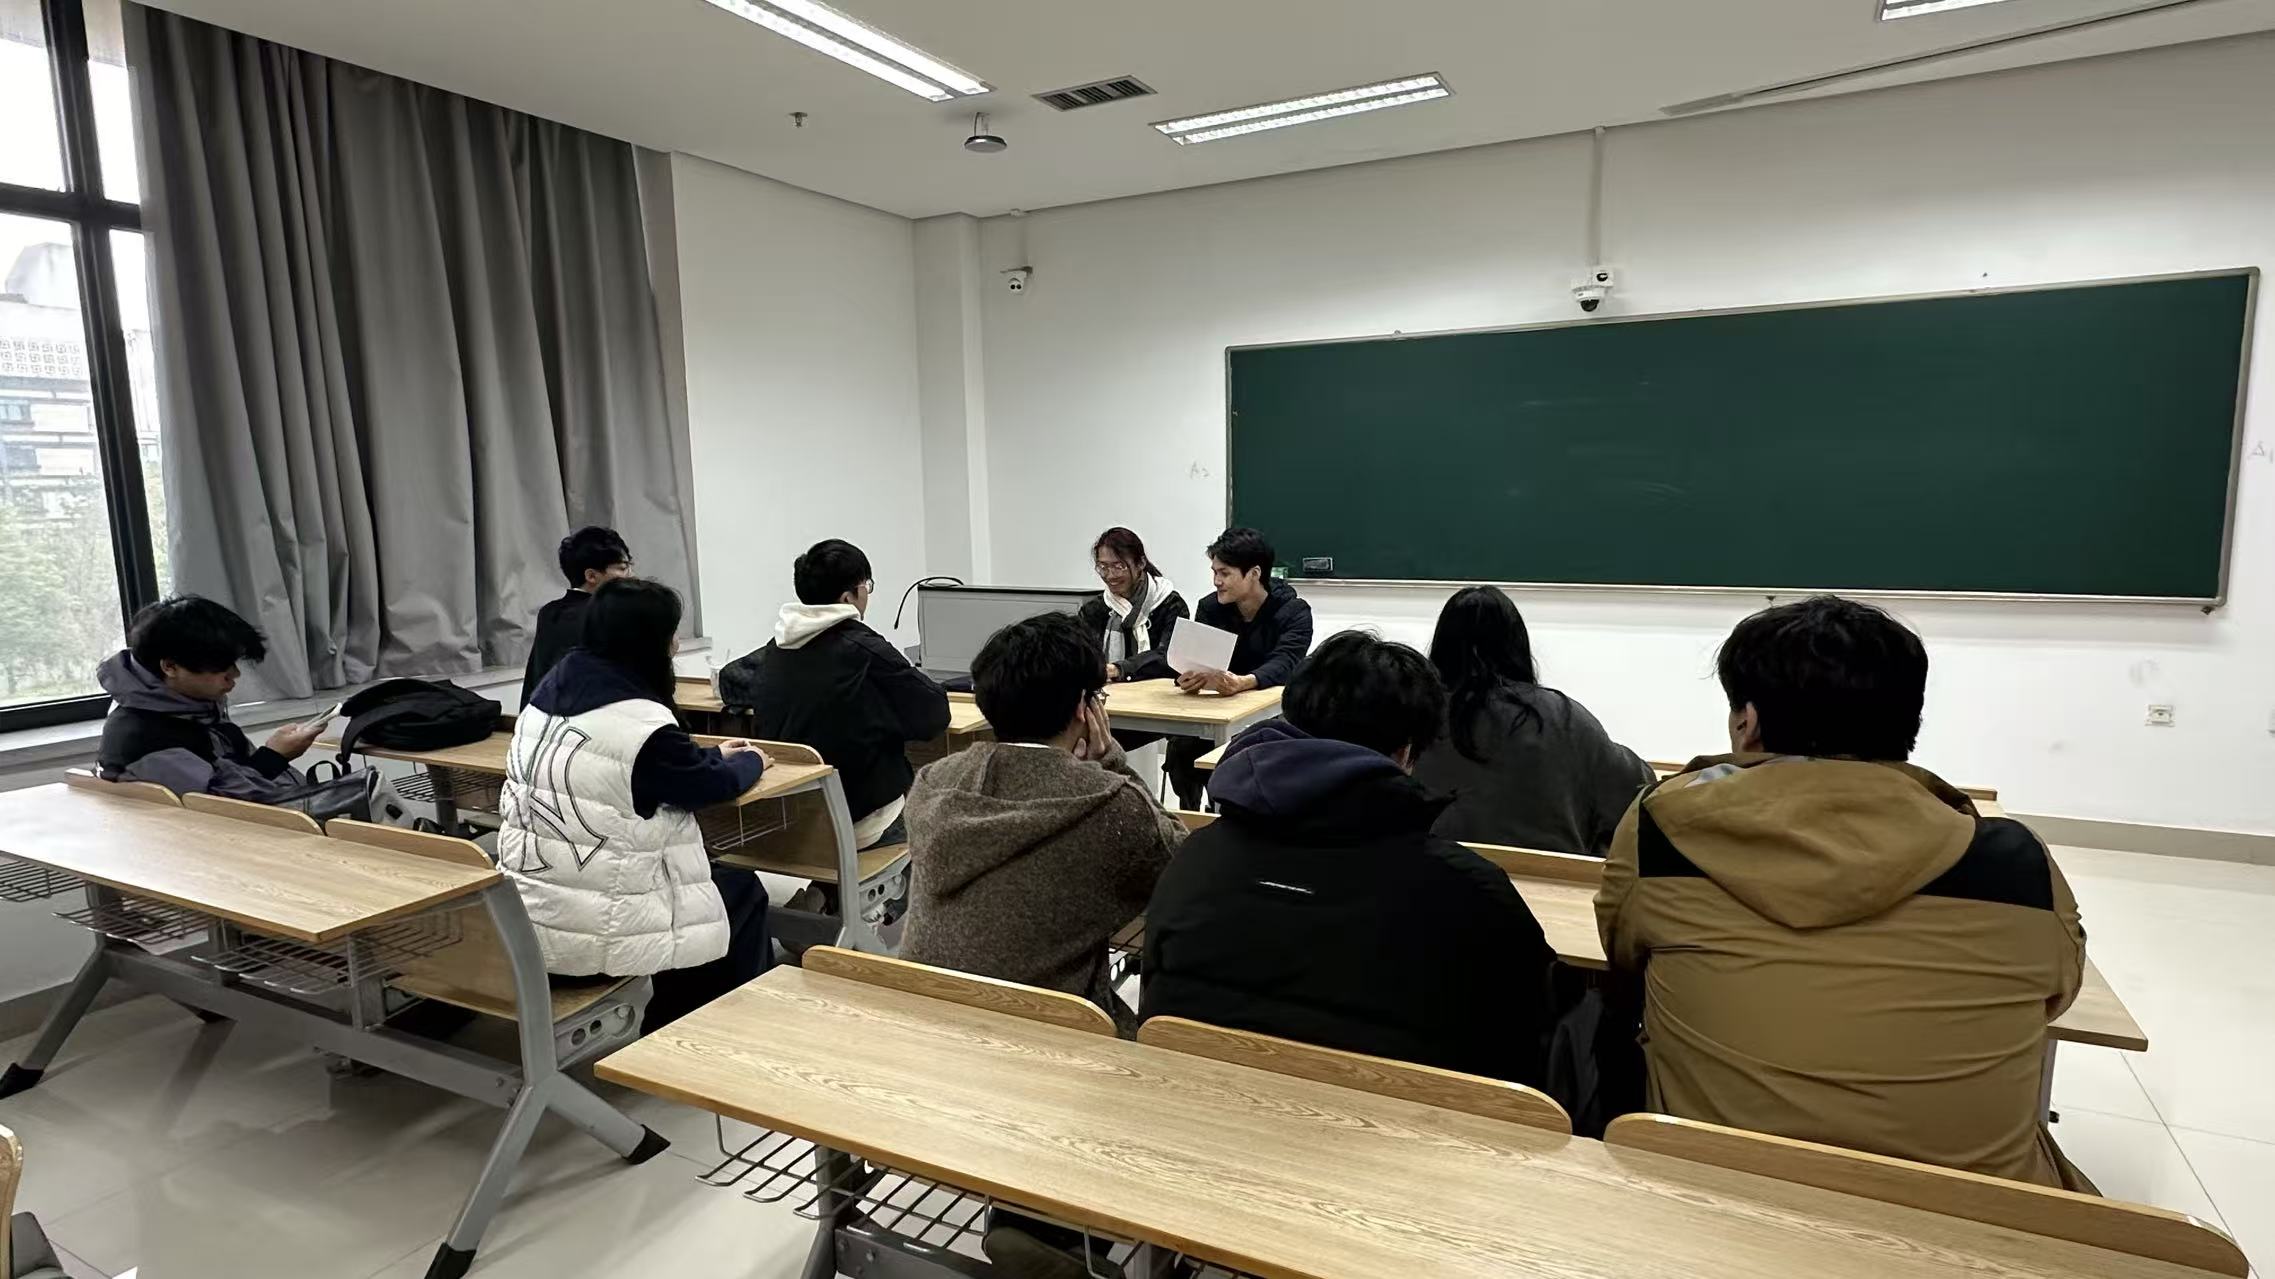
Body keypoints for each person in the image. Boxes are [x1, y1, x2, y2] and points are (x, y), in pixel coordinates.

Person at [1595, 595, 2091, 1190]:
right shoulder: (2018, 867)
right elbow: (2056, 996)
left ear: (1746, 722)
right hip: (1973, 1215)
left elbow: (1623, 955)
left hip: (1709, 1187)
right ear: (1908, 723)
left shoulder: (1660, 829)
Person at [1141, 631, 1557, 1085]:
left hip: (1193, 1108)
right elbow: (1527, 1044)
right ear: (1407, 752)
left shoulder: (1196, 860)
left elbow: (1156, 1007)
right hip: (1397, 1122)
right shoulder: (1469, 892)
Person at [498, 578, 773, 1031]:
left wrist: (707, 754)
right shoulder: (641, 722)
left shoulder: (548, 695)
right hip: (593, 928)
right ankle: (692, 1032)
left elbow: (636, 765)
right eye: (670, 634)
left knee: (707, 884)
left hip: (528, 913)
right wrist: (752, 761)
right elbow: (711, 785)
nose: (676, 645)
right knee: (734, 892)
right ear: (646, 641)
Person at [901, 611, 1185, 1033]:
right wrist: (1113, 765)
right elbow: (1180, 865)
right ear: (1084, 708)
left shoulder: (933, 783)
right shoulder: (1111, 806)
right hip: (1046, 1034)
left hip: (925, 1018)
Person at [720, 539, 949, 850]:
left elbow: (730, 679)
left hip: (791, 816)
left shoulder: (777, 649)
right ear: (848, 597)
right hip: (860, 818)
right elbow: (935, 714)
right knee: (933, 809)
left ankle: (830, 885)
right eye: (866, 586)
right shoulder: (865, 649)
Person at [1413, 587, 1654, 856]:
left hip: (1431, 870)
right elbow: (1637, 789)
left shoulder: (1417, 716)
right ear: (1516, 644)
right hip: (1549, 876)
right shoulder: (1562, 715)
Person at [95, 596, 325, 800]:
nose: (235, 674)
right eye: (220, 666)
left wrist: (274, 754)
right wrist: (275, 756)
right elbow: (231, 806)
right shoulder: (145, 738)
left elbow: (237, 780)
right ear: (170, 667)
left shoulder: (192, 709)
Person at [1165, 527, 1314, 808]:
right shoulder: (1210, 608)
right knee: (1183, 746)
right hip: (1219, 709)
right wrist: (1188, 677)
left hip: (1274, 712)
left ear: (1254, 574)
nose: (1216, 581)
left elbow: (1285, 662)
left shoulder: (1293, 611)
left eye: (1225, 573)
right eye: (1214, 572)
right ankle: (1192, 814)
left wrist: (1245, 681)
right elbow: (1197, 657)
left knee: (1249, 750)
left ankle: (1235, 812)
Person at [520, 526, 634, 710]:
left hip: (541, 717)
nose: (631, 576)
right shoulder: (608, 615)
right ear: (591, 576)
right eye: (623, 568)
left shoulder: (549, 612)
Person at [1074, 527, 1188, 684]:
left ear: (1140, 563)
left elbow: (1170, 657)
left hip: (1159, 693)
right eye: (1103, 567)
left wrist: (1119, 669)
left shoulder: (1170, 605)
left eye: (1119, 566)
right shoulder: (1093, 610)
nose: (1110, 575)